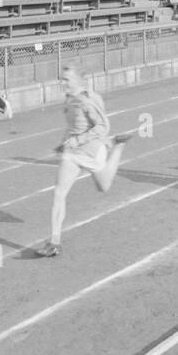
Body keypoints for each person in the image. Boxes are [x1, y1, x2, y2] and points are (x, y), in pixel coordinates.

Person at [38, 67, 134, 256]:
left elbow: (102, 126)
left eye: (67, 79)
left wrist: (78, 140)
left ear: (77, 81)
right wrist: (64, 143)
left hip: (90, 151)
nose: (63, 83)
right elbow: (73, 126)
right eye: (62, 79)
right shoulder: (70, 98)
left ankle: (118, 146)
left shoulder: (85, 100)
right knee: (59, 192)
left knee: (104, 187)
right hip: (72, 152)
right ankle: (54, 242)